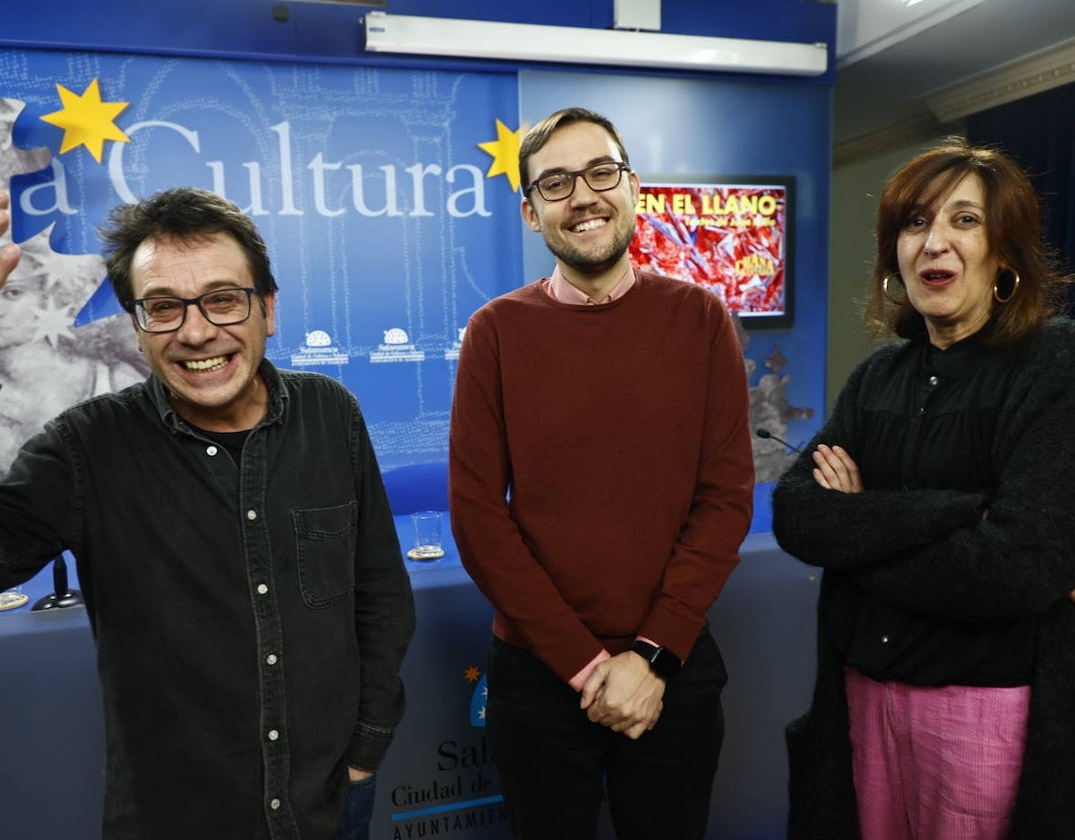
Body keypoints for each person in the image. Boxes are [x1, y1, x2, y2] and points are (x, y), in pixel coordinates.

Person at [0, 187, 415, 839]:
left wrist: (366, 749)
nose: (195, 331)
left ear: (267, 309)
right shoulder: (85, 449)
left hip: (332, 806)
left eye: (222, 299)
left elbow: (380, 590)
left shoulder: (331, 412)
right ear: (137, 325)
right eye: (163, 307)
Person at [448, 107, 755, 839]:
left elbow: (725, 501)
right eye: (555, 183)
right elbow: (478, 516)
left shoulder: (703, 318)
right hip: (540, 678)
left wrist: (648, 658)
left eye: (600, 172)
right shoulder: (495, 332)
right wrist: (589, 668)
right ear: (530, 212)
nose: (582, 195)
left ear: (634, 187)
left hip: (669, 673)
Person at [772, 138, 1075, 840]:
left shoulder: (1052, 362)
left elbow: (1015, 571)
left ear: (1006, 251)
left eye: (964, 221)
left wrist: (857, 532)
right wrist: (962, 513)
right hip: (860, 702)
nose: (934, 241)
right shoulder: (877, 377)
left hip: (983, 713)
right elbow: (797, 513)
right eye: (915, 222)